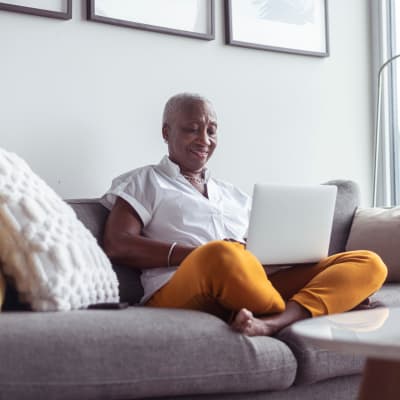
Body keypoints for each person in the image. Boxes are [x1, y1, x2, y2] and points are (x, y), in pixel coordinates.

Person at [101, 93, 388, 336]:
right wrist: (197, 253)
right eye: (192, 129)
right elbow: (118, 243)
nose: (204, 139)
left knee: (369, 262)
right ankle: (317, 306)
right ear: (166, 132)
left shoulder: (233, 195)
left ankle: (272, 321)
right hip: (180, 288)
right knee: (222, 255)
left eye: (211, 130)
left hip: (252, 282)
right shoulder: (145, 181)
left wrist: (276, 256)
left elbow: (259, 252)